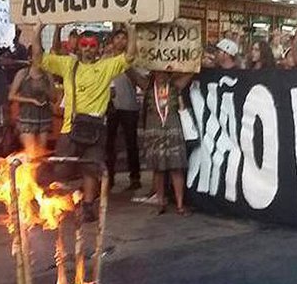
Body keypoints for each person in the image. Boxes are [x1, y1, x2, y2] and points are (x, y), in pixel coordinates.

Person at [33, 21, 137, 223]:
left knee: (91, 170)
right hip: (70, 128)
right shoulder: (68, 64)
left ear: (98, 48)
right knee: (61, 169)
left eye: (92, 45)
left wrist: (131, 30)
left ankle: (88, 206)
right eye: (84, 45)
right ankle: (62, 203)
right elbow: (38, 58)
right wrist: (38, 30)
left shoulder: (107, 66)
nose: (88, 49)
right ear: (79, 47)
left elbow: (130, 56)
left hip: (97, 128)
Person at [135, 71, 195, 216]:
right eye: (157, 71)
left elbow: (191, 71)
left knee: (176, 167)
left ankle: (180, 205)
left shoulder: (175, 85)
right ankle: (160, 203)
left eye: (163, 71)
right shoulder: (148, 86)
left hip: (172, 129)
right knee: (158, 169)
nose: (160, 74)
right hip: (154, 130)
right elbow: (131, 73)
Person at [7, 52, 55, 152]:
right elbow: (11, 96)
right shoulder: (23, 73)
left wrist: (46, 90)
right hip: (27, 118)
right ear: (30, 58)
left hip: (44, 118)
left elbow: (53, 97)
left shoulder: (47, 75)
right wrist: (31, 100)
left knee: (41, 152)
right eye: (36, 56)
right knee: (31, 151)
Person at [105, 65, 142, 193]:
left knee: (131, 143)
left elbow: (141, 81)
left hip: (129, 106)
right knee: (109, 144)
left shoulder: (131, 61)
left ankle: (135, 178)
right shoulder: (105, 59)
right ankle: (109, 177)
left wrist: (129, 68)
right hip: (111, 107)